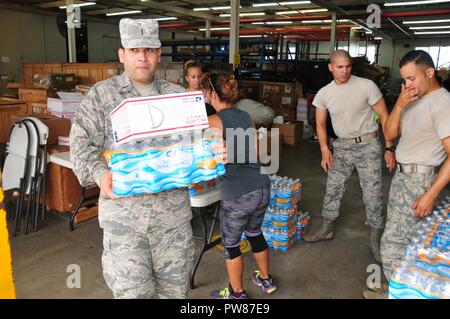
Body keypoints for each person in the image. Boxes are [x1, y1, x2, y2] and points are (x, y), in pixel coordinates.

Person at [70, 18, 195, 299]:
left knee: (175, 294)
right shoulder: (102, 96)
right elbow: (80, 146)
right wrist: (100, 174)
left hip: (172, 223)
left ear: (158, 55)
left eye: (149, 49)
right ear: (122, 54)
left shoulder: (177, 97)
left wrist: (212, 150)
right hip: (125, 224)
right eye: (135, 49)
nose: (142, 56)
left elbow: (195, 147)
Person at [364, 50, 450, 299]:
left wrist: (430, 195)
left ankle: (397, 292)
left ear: (430, 72)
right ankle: (398, 289)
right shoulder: (412, 98)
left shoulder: (443, 104)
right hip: (403, 177)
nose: (407, 85)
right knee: (403, 241)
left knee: (391, 245)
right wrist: (400, 104)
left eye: (412, 78)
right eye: (404, 80)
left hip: (420, 181)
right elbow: (389, 134)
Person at [303, 50, 396, 264]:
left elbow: (384, 116)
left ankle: (375, 237)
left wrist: (389, 147)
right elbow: (319, 124)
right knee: (333, 187)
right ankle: (327, 227)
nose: (344, 71)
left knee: (373, 192)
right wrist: (324, 149)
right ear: (330, 67)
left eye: (348, 66)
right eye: (340, 67)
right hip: (342, 147)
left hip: (368, 145)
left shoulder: (366, 86)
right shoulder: (324, 93)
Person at [202, 73, 277, 299]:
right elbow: (256, 151)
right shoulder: (246, 116)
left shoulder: (213, 121)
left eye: (205, 91)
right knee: (254, 233)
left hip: (238, 193)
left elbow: (202, 155)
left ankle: (236, 294)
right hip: (262, 186)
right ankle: (265, 280)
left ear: (213, 93)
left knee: (231, 245)